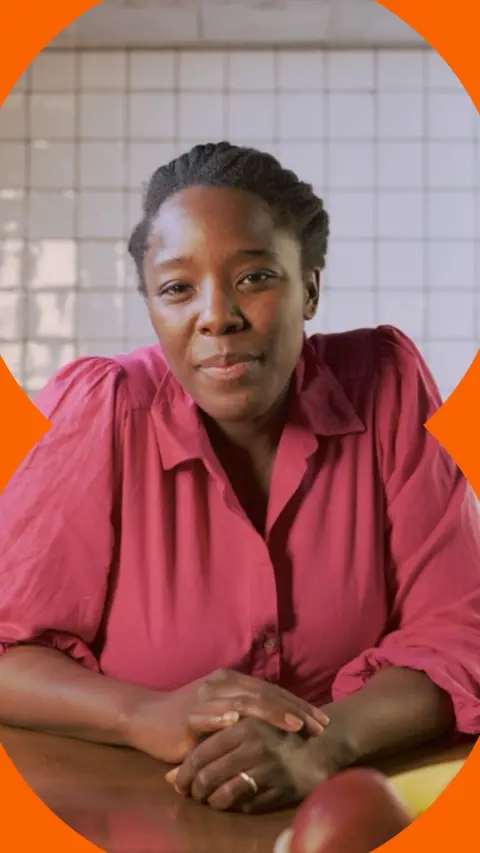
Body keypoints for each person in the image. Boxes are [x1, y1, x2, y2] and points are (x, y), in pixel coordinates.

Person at [0, 141, 479, 816]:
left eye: (255, 277)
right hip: (132, 814)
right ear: (153, 310)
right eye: (177, 288)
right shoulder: (101, 412)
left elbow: (461, 628)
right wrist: (144, 713)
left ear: (310, 287)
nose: (217, 315)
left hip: (343, 811)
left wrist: (326, 742)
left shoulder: (388, 386)